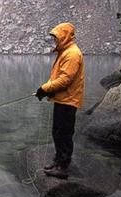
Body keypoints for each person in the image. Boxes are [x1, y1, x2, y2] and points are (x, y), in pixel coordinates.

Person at [35, 22, 85, 179]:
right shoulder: (66, 52)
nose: (55, 40)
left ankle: (62, 167)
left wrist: (44, 89)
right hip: (63, 99)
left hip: (69, 100)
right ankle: (58, 161)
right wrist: (46, 91)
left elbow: (65, 80)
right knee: (57, 132)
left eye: (56, 37)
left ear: (64, 36)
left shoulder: (72, 54)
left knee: (64, 133)